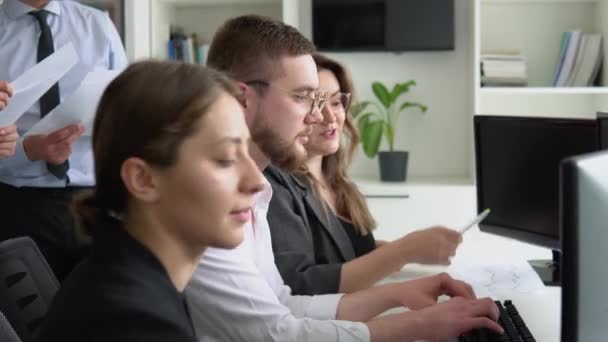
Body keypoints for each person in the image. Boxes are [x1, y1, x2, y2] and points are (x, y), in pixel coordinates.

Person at [186, 15, 503, 342]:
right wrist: (419, 324)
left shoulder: (258, 191)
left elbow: (282, 303)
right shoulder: (209, 205)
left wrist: (399, 293)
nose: (316, 116)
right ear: (243, 99)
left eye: (326, 101)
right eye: (302, 97)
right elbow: (275, 334)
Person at [35, 61, 264, 342]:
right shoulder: (134, 321)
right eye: (225, 159)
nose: (256, 181)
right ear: (143, 180)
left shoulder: (126, 280)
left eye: (247, 152)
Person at [265, 53, 463, 295]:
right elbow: (300, 284)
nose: (329, 117)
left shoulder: (339, 183)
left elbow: (354, 253)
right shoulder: (274, 185)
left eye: (336, 102)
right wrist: (404, 250)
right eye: (316, 103)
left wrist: (416, 252)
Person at [0, 0, 128, 281]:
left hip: (94, 203)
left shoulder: (98, 26)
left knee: (98, 313)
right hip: (16, 206)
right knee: (27, 318)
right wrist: (28, 150)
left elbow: (127, 109)